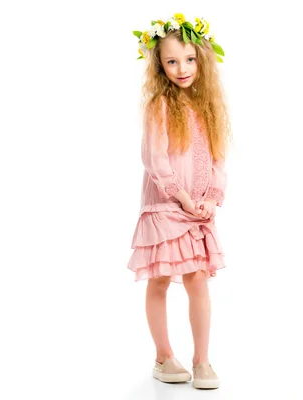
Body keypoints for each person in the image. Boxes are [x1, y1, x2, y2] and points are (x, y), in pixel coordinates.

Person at [127, 14, 231, 390]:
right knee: (158, 280)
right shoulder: (159, 106)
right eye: (171, 61)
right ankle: (162, 355)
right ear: (159, 65)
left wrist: (212, 200)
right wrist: (184, 197)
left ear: (201, 59)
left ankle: (201, 360)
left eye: (188, 59)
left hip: (198, 209)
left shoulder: (209, 108)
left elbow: (219, 158)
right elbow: (156, 160)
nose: (181, 68)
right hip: (167, 206)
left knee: (197, 278)